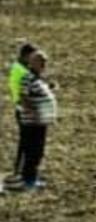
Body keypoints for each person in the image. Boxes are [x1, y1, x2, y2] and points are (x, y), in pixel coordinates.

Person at [16, 49, 55, 191]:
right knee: (32, 152)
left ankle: (32, 179)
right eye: (41, 62)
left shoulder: (37, 78)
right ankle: (27, 182)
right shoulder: (28, 77)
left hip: (40, 122)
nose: (44, 65)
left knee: (38, 152)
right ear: (33, 63)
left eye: (45, 62)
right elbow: (23, 96)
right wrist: (33, 111)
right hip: (32, 122)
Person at [6, 42, 37, 191]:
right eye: (33, 56)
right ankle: (20, 175)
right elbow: (24, 91)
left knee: (26, 143)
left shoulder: (19, 68)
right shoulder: (21, 71)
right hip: (25, 110)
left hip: (23, 109)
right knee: (26, 144)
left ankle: (22, 174)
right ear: (26, 55)